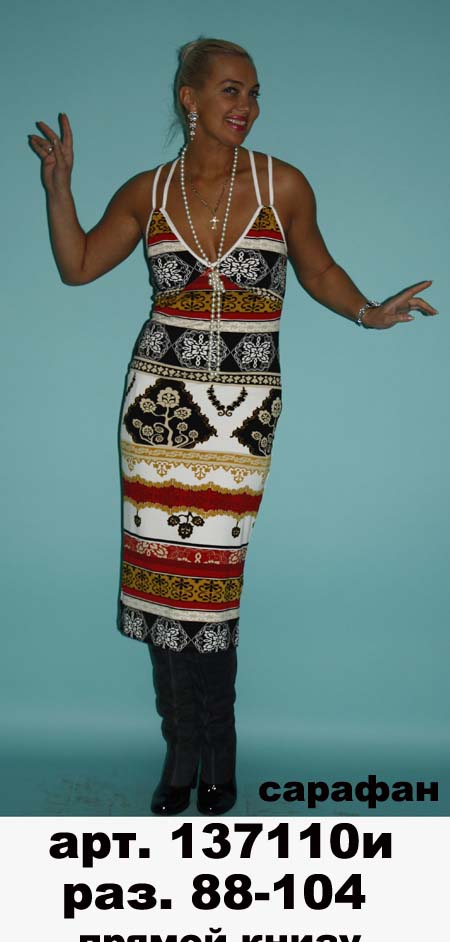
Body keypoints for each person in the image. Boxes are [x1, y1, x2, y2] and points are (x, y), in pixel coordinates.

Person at [29, 37, 437, 818]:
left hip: (243, 415)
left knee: (210, 587)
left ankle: (220, 752)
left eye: (253, 92)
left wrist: (368, 311)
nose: (245, 105)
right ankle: (181, 756)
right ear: (189, 98)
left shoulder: (283, 184)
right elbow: (77, 265)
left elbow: (317, 269)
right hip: (157, 407)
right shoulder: (147, 192)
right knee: (163, 583)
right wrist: (59, 188)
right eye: (229, 89)